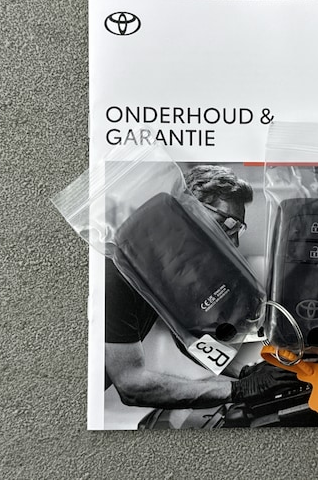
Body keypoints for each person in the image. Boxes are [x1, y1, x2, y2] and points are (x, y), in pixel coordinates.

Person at [104, 164, 301, 411]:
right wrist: (239, 390)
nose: (234, 242)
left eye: (239, 230)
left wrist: (245, 372)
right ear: (186, 211)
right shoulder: (113, 275)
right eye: (228, 224)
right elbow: (132, 384)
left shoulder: (160, 271)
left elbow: (189, 339)